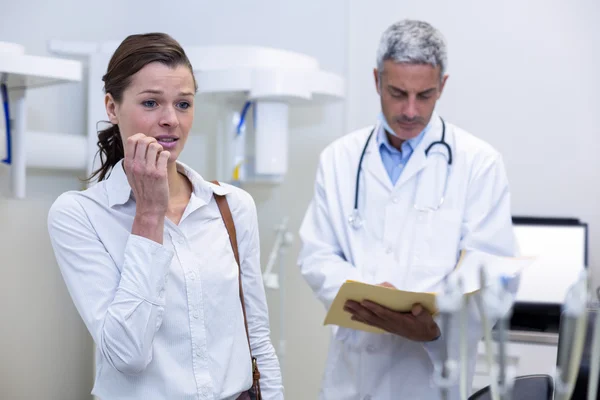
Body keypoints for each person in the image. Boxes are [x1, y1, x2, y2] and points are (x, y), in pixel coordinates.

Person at [47, 33, 283, 400]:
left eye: (184, 104)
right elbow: (127, 354)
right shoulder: (78, 215)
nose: (170, 119)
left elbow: (259, 338)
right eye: (151, 102)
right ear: (112, 107)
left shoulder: (233, 206)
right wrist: (149, 214)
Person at [297, 19, 518, 399]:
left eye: (425, 95)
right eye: (397, 93)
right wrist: (363, 294)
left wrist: (437, 329)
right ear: (376, 80)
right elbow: (317, 254)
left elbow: (492, 267)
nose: (411, 110)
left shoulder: (479, 162)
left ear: (443, 86)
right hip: (353, 375)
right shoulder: (340, 159)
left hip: (431, 377)